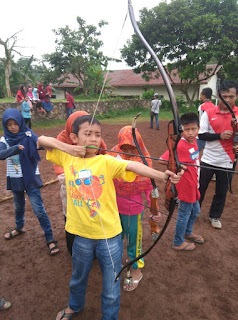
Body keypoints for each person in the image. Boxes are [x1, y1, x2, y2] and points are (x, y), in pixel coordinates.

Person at [38, 115, 183, 320]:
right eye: (88, 134)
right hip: (80, 236)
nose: (94, 139)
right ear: (74, 137)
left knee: (111, 285)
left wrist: (162, 176)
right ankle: (74, 306)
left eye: (98, 134)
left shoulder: (106, 160)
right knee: (78, 278)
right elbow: (41, 139)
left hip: (110, 237)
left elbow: (131, 166)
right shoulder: (66, 157)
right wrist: (70, 149)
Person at [0, 109, 59, 256]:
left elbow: (40, 144)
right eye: (9, 124)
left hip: (31, 178)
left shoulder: (29, 135)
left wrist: (50, 144)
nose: (13, 127)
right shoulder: (4, 140)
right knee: (18, 206)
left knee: (38, 209)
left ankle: (50, 238)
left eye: (15, 123)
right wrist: (14, 149)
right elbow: (1, 155)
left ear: (20, 122)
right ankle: (19, 227)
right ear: (5, 126)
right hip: (15, 179)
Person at [53, 111, 107, 255]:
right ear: (73, 132)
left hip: (91, 185)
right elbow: (57, 160)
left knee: (91, 214)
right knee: (70, 216)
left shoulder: (95, 139)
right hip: (70, 186)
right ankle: (72, 248)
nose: (92, 138)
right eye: (86, 133)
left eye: (94, 133)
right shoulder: (63, 137)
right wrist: (63, 172)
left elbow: (105, 156)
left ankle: (94, 249)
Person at [109, 125, 153, 291]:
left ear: (138, 144)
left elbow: (149, 185)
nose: (128, 152)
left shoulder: (144, 159)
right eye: (124, 148)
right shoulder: (112, 155)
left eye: (132, 148)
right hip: (113, 207)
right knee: (116, 239)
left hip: (134, 209)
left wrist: (153, 207)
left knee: (134, 240)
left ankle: (136, 270)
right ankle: (118, 264)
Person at [160, 113, 203, 251]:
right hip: (185, 186)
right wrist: (178, 166)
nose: (190, 133)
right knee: (184, 214)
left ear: (198, 128)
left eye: (193, 129)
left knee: (195, 211)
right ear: (181, 130)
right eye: (187, 129)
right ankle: (178, 241)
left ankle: (188, 232)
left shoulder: (195, 140)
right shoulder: (179, 145)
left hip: (194, 184)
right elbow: (162, 160)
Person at [198, 79, 238, 229]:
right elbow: (201, 135)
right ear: (219, 95)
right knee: (200, 188)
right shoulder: (208, 112)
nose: (227, 100)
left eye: (231, 96)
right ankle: (194, 212)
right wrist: (219, 135)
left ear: (236, 96)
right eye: (224, 96)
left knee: (221, 191)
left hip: (228, 160)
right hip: (208, 158)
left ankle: (215, 216)